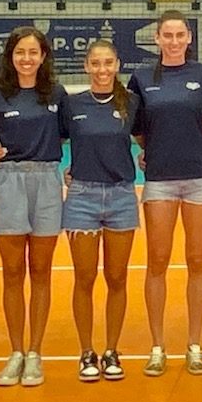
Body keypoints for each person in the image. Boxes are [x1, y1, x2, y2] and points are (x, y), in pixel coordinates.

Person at [129, 12, 202, 377]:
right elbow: (138, 127)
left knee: (197, 261)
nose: (172, 40)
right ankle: (157, 346)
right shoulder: (141, 78)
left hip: (198, 175)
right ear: (157, 38)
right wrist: (155, 147)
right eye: (166, 35)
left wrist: (186, 139)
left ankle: (194, 345)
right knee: (158, 260)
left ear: (188, 37)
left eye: (179, 34)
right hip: (160, 179)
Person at [0, 27, 65, 389]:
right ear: (10, 57)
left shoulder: (57, 95)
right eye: (19, 53)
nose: (26, 59)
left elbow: (76, 135)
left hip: (46, 181)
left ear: (43, 57)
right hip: (8, 184)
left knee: (41, 271)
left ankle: (35, 352)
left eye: (33, 52)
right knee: (12, 272)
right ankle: (15, 351)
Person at [62, 40, 141, 382]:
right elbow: (48, 138)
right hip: (82, 196)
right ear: (86, 66)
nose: (102, 69)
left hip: (122, 195)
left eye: (108, 62)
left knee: (117, 277)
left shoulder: (132, 103)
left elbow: (147, 138)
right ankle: (86, 352)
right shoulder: (71, 104)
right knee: (84, 278)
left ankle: (111, 350)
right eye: (96, 63)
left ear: (118, 64)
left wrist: (149, 155)